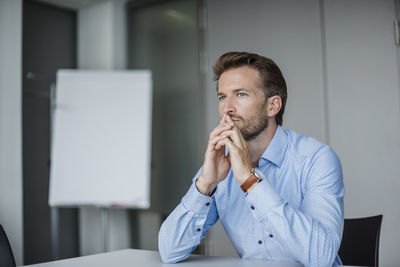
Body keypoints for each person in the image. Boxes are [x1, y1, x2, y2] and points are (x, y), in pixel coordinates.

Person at [158, 52, 344, 267]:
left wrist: (249, 180)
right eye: (222, 97)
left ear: (272, 106)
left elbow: (321, 256)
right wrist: (205, 185)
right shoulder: (220, 167)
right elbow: (169, 252)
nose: (227, 108)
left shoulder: (316, 159)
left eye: (241, 94)